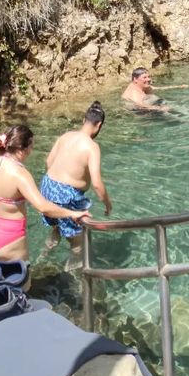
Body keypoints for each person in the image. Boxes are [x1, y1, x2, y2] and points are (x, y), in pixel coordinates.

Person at [0, 125, 92, 260]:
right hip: (8, 240)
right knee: (21, 279)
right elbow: (43, 207)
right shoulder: (20, 174)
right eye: (31, 146)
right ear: (24, 149)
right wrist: (73, 213)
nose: (31, 150)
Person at [40, 102, 111, 262]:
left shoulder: (65, 136)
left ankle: (43, 256)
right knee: (78, 240)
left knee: (57, 225)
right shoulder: (92, 147)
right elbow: (97, 184)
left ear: (83, 120)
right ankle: (75, 275)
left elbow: (48, 161)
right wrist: (108, 204)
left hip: (47, 186)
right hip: (67, 195)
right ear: (99, 125)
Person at [122, 67, 189, 111]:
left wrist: (179, 86)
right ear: (135, 79)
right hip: (139, 112)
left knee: (159, 99)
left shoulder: (144, 86)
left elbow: (159, 88)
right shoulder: (134, 93)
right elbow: (139, 105)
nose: (148, 79)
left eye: (148, 77)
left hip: (148, 105)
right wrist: (160, 108)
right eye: (144, 77)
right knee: (158, 101)